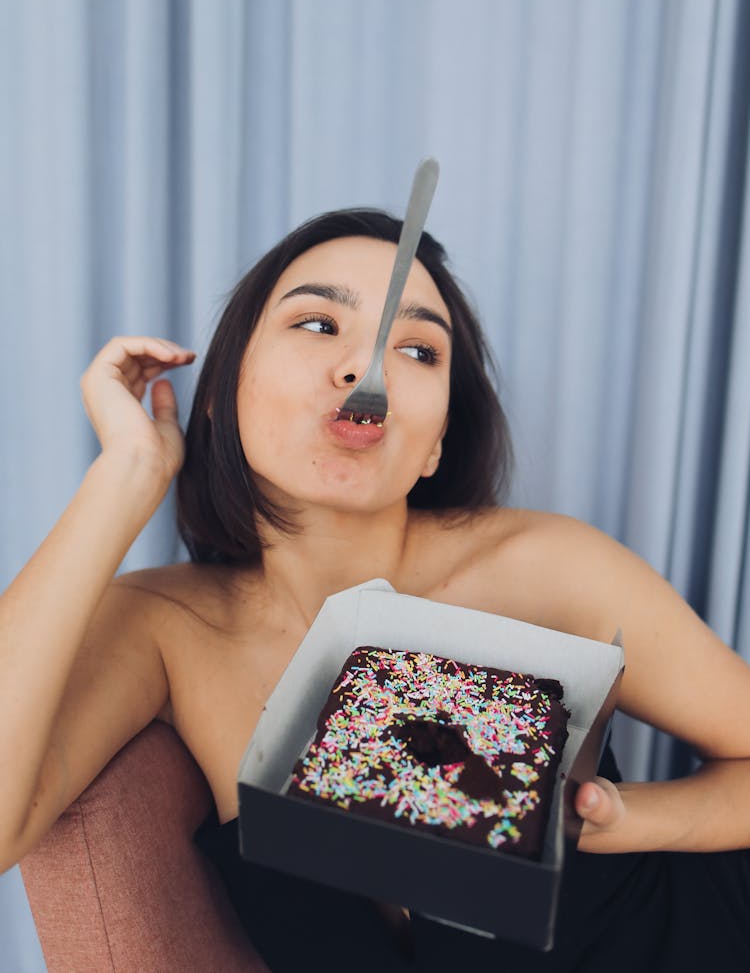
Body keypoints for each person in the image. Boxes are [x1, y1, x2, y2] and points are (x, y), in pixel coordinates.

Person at [2, 209, 749, 972]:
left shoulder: (548, 565)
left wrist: (625, 820)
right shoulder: (168, 626)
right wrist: (124, 476)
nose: (368, 366)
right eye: (320, 324)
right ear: (223, 391)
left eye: (418, 347)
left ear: (435, 445)